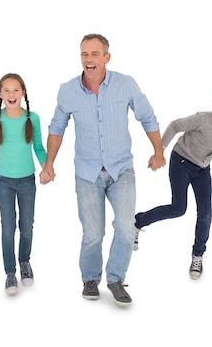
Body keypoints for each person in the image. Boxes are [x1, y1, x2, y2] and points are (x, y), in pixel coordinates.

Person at [39, 33, 166, 307]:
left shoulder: (125, 84)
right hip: (87, 173)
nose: (89, 59)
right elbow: (56, 128)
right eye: (84, 54)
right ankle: (90, 279)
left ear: (106, 57)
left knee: (124, 226)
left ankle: (116, 279)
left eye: (95, 54)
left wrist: (158, 151)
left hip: (121, 170)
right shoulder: (68, 90)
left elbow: (147, 116)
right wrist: (49, 164)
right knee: (93, 233)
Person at [133, 86, 212, 280]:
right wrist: (159, 152)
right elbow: (174, 126)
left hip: (202, 168)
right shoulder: (205, 119)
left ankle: (197, 254)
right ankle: (137, 222)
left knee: (206, 212)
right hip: (181, 160)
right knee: (178, 208)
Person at [0, 73, 47, 296]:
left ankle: (24, 262)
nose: (11, 94)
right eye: (7, 90)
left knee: (27, 227)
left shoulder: (33, 118)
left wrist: (46, 167)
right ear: (0, 94)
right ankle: (10, 272)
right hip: (4, 180)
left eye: (16, 90)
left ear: (23, 92)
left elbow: (39, 147)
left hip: (27, 181)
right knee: (7, 228)